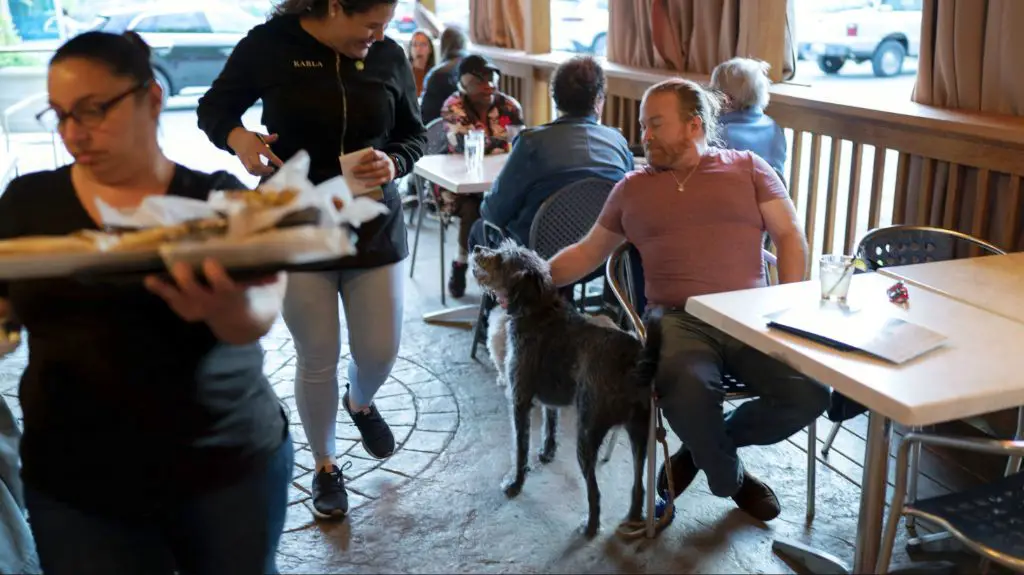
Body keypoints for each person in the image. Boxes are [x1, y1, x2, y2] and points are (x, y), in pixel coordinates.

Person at [0, 31, 292, 574]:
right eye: (60, 115)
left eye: (92, 111)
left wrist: (225, 311)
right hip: (75, 482)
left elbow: (261, 313)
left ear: (152, 97)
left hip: (223, 469)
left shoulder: (217, 200)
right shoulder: (26, 203)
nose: (73, 134)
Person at [546, 78, 829, 522]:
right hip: (678, 320)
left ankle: (696, 454)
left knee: (812, 393)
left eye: (656, 124)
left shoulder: (748, 168)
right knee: (687, 384)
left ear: (694, 125)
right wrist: (536, 279)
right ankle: (730, 478)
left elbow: (790, 236)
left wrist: (788, 306)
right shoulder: (632, 188)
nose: (646, 135)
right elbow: (586, 253)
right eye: (643, 126)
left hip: (749, 316)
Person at [196, 0, 426, 522]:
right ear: (336, 7)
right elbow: (215, 108)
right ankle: (326, 465)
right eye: (371, 23)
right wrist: (238, 138)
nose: (381, 34)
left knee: (379, 351)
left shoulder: (387, 56)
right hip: (297, 221)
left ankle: (361, 402)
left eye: (387, 23)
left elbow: (413, 134)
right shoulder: (270, 44)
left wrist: (397, 160)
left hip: (373, 224)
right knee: (317, 352)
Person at [470, 55, 634, 249]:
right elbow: (629, 202)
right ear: (599, 100)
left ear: (554, 97)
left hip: (536, 258)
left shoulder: (531, 143)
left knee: (478, 230)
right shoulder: (617, 142)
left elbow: (494, 212)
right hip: (599, 256)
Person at [439, 53, 524, 297]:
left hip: (499, 179)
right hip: (458, 184)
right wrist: (499, 141)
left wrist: (487, 142)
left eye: (491, 78)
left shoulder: (509, 106)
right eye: (479, 80)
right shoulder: (453, 106)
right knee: (473, 207)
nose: (488, 85)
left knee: (513, 204)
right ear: (464, 84)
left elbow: (519, 142)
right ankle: (461, 263)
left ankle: (507, 268)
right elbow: (460, 143)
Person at [710, 57, 787, 179]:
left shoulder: (719, 135)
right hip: (774, 195)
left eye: (712, 91)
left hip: (735, 195)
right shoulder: (774, 127)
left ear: (725, 99)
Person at [419, 26, 468, 124]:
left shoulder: (437, 74)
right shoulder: (473, 67)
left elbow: (426, 115)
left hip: (441, 130)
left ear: (443, 45)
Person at [407, 29, 435, 98]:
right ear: (410, 49)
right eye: (415, 45)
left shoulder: (435, 74)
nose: (419, 48)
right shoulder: (403, 73)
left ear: (430, 49)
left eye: (423, 44)